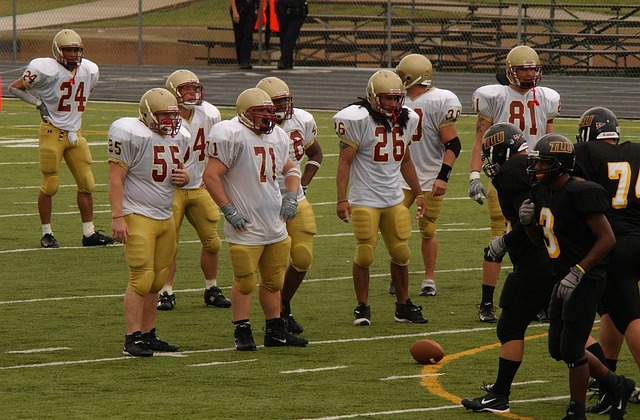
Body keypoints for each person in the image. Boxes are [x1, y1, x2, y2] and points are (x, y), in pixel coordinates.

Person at [519, 134, 634, 419]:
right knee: (558, 349)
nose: (536, 168)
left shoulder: (582, 192)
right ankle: (617, 383)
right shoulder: (542, 191)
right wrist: (526, 225)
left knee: (571, 350)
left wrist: (579, 270)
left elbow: (607, 239)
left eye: (542, 163)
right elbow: (539, 242)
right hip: (562, 276)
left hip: (586, 278)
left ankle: (577, 410)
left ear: (560, 164)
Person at [202, 87, 308, 350]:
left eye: (270, 112)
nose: (267, 118)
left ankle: (275, 331)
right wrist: (228, 209)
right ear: (245, 113)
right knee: (246, 281)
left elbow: (291, 168)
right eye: (260, 112)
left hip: (274, 221)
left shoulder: (278, 136)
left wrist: (292, 196)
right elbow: (211, 176)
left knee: (274, 281)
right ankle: (242, 330)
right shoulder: (232, 134)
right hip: (245, 224)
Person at [461, 123, 557, 413]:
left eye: (491, 153)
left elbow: (532, 217)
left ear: (503, 149)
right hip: (556, 255)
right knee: (568, 333)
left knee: (511, 326)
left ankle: (500, 395)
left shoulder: (512, 172)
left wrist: (506, 240)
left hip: (534, 260)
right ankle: (612, 383)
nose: (490, 160)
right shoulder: (535, 166)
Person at [469, 45, 561, 323]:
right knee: (502, 235)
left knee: (543, 236)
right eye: (524, 68)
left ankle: (541, 300)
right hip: (508, 176)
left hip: (540, 174)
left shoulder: (547, 97)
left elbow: (550, 140)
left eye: (533, 68)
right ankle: (487, 303)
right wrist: (474, 174)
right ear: (511, 70)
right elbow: (480, 137)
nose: (529, 73)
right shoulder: (495, 96)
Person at [334, 70, 427, 327]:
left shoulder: (407, 120)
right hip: (364, 198)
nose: (392, 104)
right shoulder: (359, 120)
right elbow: (344, 163)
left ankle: (403, 305)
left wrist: (419, 193)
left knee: (401, 252)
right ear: (374, 97)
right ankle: (362, 307)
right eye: (386, 98)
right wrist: (342, 199)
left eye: (396, 98)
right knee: (364, 255)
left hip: (393, 197)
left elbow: (406, 160)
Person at [8, 29, 113, 249]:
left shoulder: (90, 69)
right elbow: (14, 88)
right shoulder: (44, 68)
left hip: (76, 132)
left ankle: (89, 233)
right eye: (68, 50)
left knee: (87, 183)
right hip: (52, 132)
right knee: (51, 184)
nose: (73, 55)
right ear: (57, 51)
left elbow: (86, 93)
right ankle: (47, 233)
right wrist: (38, 103)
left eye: (76, 50)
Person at [108, 88, 190, 357]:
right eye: (163, 116)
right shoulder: (130, 133)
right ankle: (131, 338)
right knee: (140, 279)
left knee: (156, 281)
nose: (170, 121)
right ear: (147, 115)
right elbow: (116, 178)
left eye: (172, 115)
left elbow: (178, 171)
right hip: (138, 214)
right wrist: (118, 217)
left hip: (165, 215)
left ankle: (148, 332)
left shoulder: (181, 136)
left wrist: (184, 178)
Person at [571, 107, 640, 414]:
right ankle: (609, 380)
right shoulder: (636, 151)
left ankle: (613, 384)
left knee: (630, 315)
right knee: (611, 310)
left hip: (614, 241)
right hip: (636, 237)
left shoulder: (586, 152)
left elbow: (576, 192)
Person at [156, 69, 231, 311]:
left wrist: (210, 177)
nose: (192, 93)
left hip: (199, 185)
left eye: (195, 88)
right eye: (186, 89)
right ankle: (165, 291)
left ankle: (211, 288)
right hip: (171, 188)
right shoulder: (161, 115)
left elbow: (216, 149)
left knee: (212, 242)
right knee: (169, 244)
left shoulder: (209, 113)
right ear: (172, 92)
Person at [392, 53, 462, 297]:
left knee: (427, 229)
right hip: (399, 177)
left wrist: (443, 176)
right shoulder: (396, 100)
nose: (398, 78)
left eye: (402, 75)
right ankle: (398, 273)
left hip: (430, 175)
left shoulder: (439, 100)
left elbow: (453, 144)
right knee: (394, 227)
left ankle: (428, 279)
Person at [255, 76, 322, 334]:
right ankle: (266, 319)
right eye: (276, 102)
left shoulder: (302, 120)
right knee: (265, 266)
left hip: (296, 200)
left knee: (303, 258)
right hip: (264, 203)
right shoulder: (248, 127)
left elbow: (316, 154)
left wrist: (301, 185)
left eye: (285, 100)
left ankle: (283, 306)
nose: (283, 107)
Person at [274, 0, 308, 70]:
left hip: (297, 12)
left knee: (290, 37)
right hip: (282, 10)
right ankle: (288, 62)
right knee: (283, 36)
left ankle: (283, 60)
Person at [229, 0, 259, 69]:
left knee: (248, 34)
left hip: (251, 6)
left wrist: (257, 7)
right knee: (239, 35)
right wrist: (234, 11)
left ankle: (246, 60)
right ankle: (241, 59)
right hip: (239, 7)